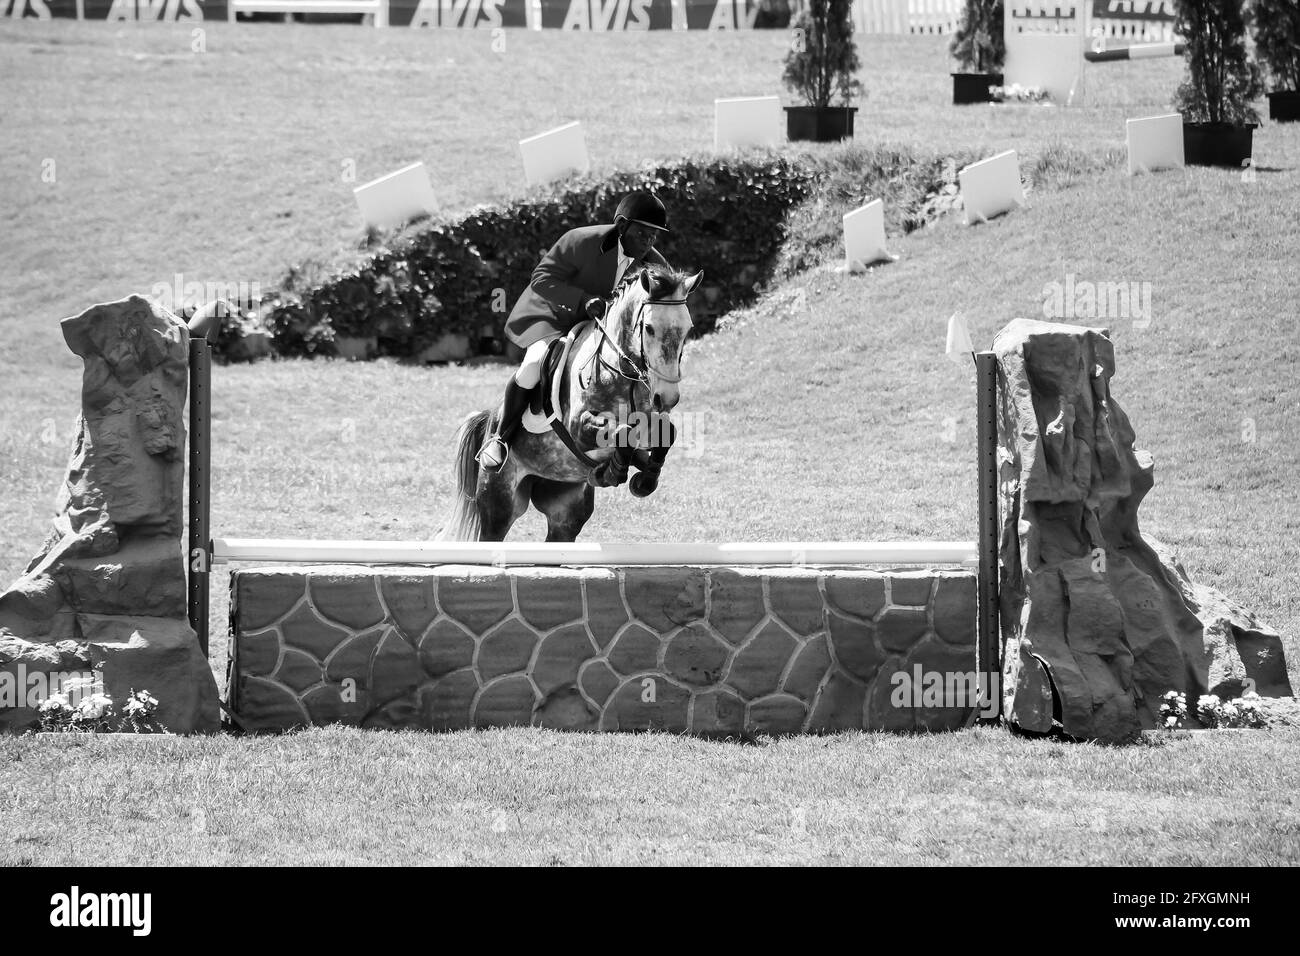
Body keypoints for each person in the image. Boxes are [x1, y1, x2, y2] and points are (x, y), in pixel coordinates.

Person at [477, 191, 671, 471]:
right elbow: (541, 279)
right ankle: (500, 438)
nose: (649, 242)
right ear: (622, 224)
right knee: (533, 365)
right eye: (643, 233)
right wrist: (582, 299)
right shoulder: (582, 240)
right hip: (553, 315)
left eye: (654, 235)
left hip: (597, 326)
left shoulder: (651, 263)